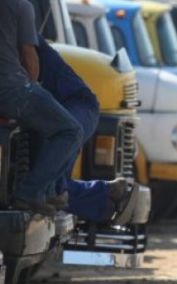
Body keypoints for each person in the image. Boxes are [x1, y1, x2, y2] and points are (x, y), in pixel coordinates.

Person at [0, 0, 83, 216]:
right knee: (70, 131)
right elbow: (30, 56)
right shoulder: (21, 7)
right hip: (12, 91)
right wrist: (34, 86)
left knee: (44, 124)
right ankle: (31, 191)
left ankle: (48, 193)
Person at [36, 34, 138, 224]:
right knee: (49, 186)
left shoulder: (15, 17)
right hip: (65, 106)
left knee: (50, 188)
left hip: (74, 105)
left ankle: (105, 194)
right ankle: (106, 193)